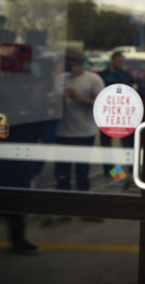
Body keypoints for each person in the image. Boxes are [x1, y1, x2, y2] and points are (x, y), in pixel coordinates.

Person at [53, 47, 105, 192]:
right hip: (62, 132)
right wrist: (55, 100)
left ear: (76, 61)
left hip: (84, 133)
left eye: (67, 60)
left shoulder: (93, 79)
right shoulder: (61, 78)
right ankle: (64, 207)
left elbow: (102, 104)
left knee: (82, 173)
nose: (64, 63)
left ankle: (83, 205)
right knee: (62, 174)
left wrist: (79, 98)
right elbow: (53, 102)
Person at [98, 51, 135, 184]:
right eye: (119, 61)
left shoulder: (125, 75)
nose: (121, 64)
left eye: (122, 61)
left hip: (123, 114)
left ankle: (129, 173)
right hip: (107, 113)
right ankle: (113, 173)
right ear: (113, 60)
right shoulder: (103, 75)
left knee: (126, 145)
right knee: (107, 145)